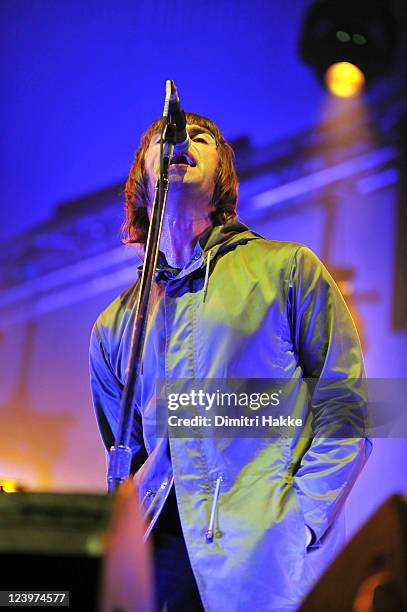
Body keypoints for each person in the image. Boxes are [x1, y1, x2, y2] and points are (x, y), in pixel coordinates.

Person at [89, 111, 372, 611]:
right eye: (165, 139)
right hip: (162, 564)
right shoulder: (115, 326)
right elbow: (123, 453)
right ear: (144, 176)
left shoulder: (288, 268)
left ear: (222, 175)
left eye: (199, 138)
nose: (181, 142)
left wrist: (300, 520)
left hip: (263, 556)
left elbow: (347, 406)